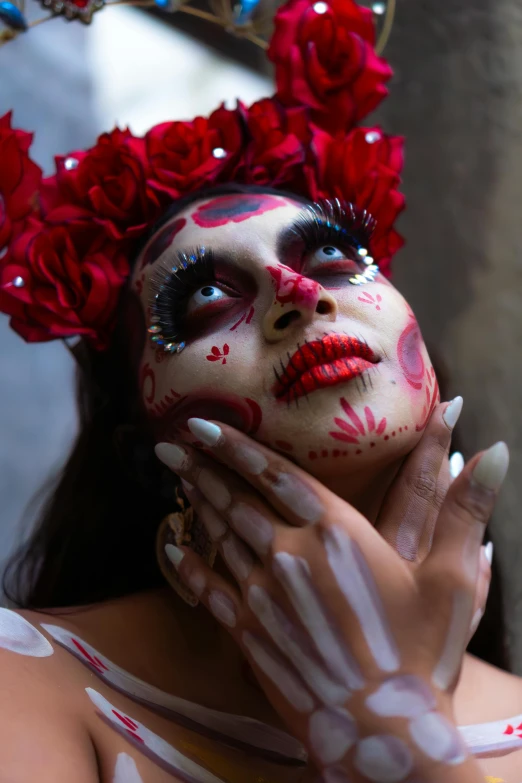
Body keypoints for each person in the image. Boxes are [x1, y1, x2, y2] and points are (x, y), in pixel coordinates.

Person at [0, 2, 519, 781]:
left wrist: (393, 724)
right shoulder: (23, 684)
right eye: (206, 300)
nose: (298, 294)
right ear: (144, 446)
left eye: (338, 259)